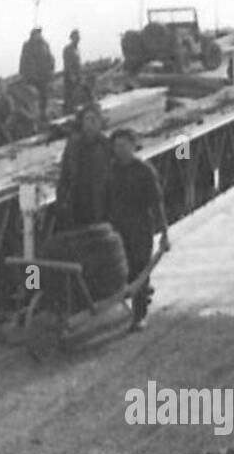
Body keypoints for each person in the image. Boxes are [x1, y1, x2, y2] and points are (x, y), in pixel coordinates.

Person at [105, 128, 171, 331]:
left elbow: (156, 202)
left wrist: (164, 232)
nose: (119, 150)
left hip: (140, 228)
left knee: (140, 268)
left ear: (133, 146)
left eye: (123, 146)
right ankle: (128, 306)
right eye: (116, 146)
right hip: (117, 229)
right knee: (123, 270)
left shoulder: (144, 171)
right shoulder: (110, 171)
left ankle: (139, 315)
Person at [56, 103, 113, 229]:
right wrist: (61, 201)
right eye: (87, 119)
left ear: (100, 123)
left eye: (94, 119)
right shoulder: (73, 144)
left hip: (99, 199)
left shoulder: (106, 145)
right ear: (82, 122)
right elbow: (65, 174)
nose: (91, 123)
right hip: (78, 198)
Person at [18, 26, 55, 120]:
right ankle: (35, 116)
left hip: (43, 77)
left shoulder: (45, 44)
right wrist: (23, 74)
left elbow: (50, 58)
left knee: (44, 98)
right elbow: (23, 60)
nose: (38, 35)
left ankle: (43, 115)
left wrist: (51, 70)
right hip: (32, 78)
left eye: (39, 33)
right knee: (33, 98)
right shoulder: (27, 46)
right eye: (36, 33)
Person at [62, 29, 84, 112]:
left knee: (77, 95)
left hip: (78, 75)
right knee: (70, 96)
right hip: (70, 76)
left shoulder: (77, 49)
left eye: (78, 37)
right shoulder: (68, 49)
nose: (78, 39)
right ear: (72, 38)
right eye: (76, 37)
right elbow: (67, 64)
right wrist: (72, 75)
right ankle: (68, 111)